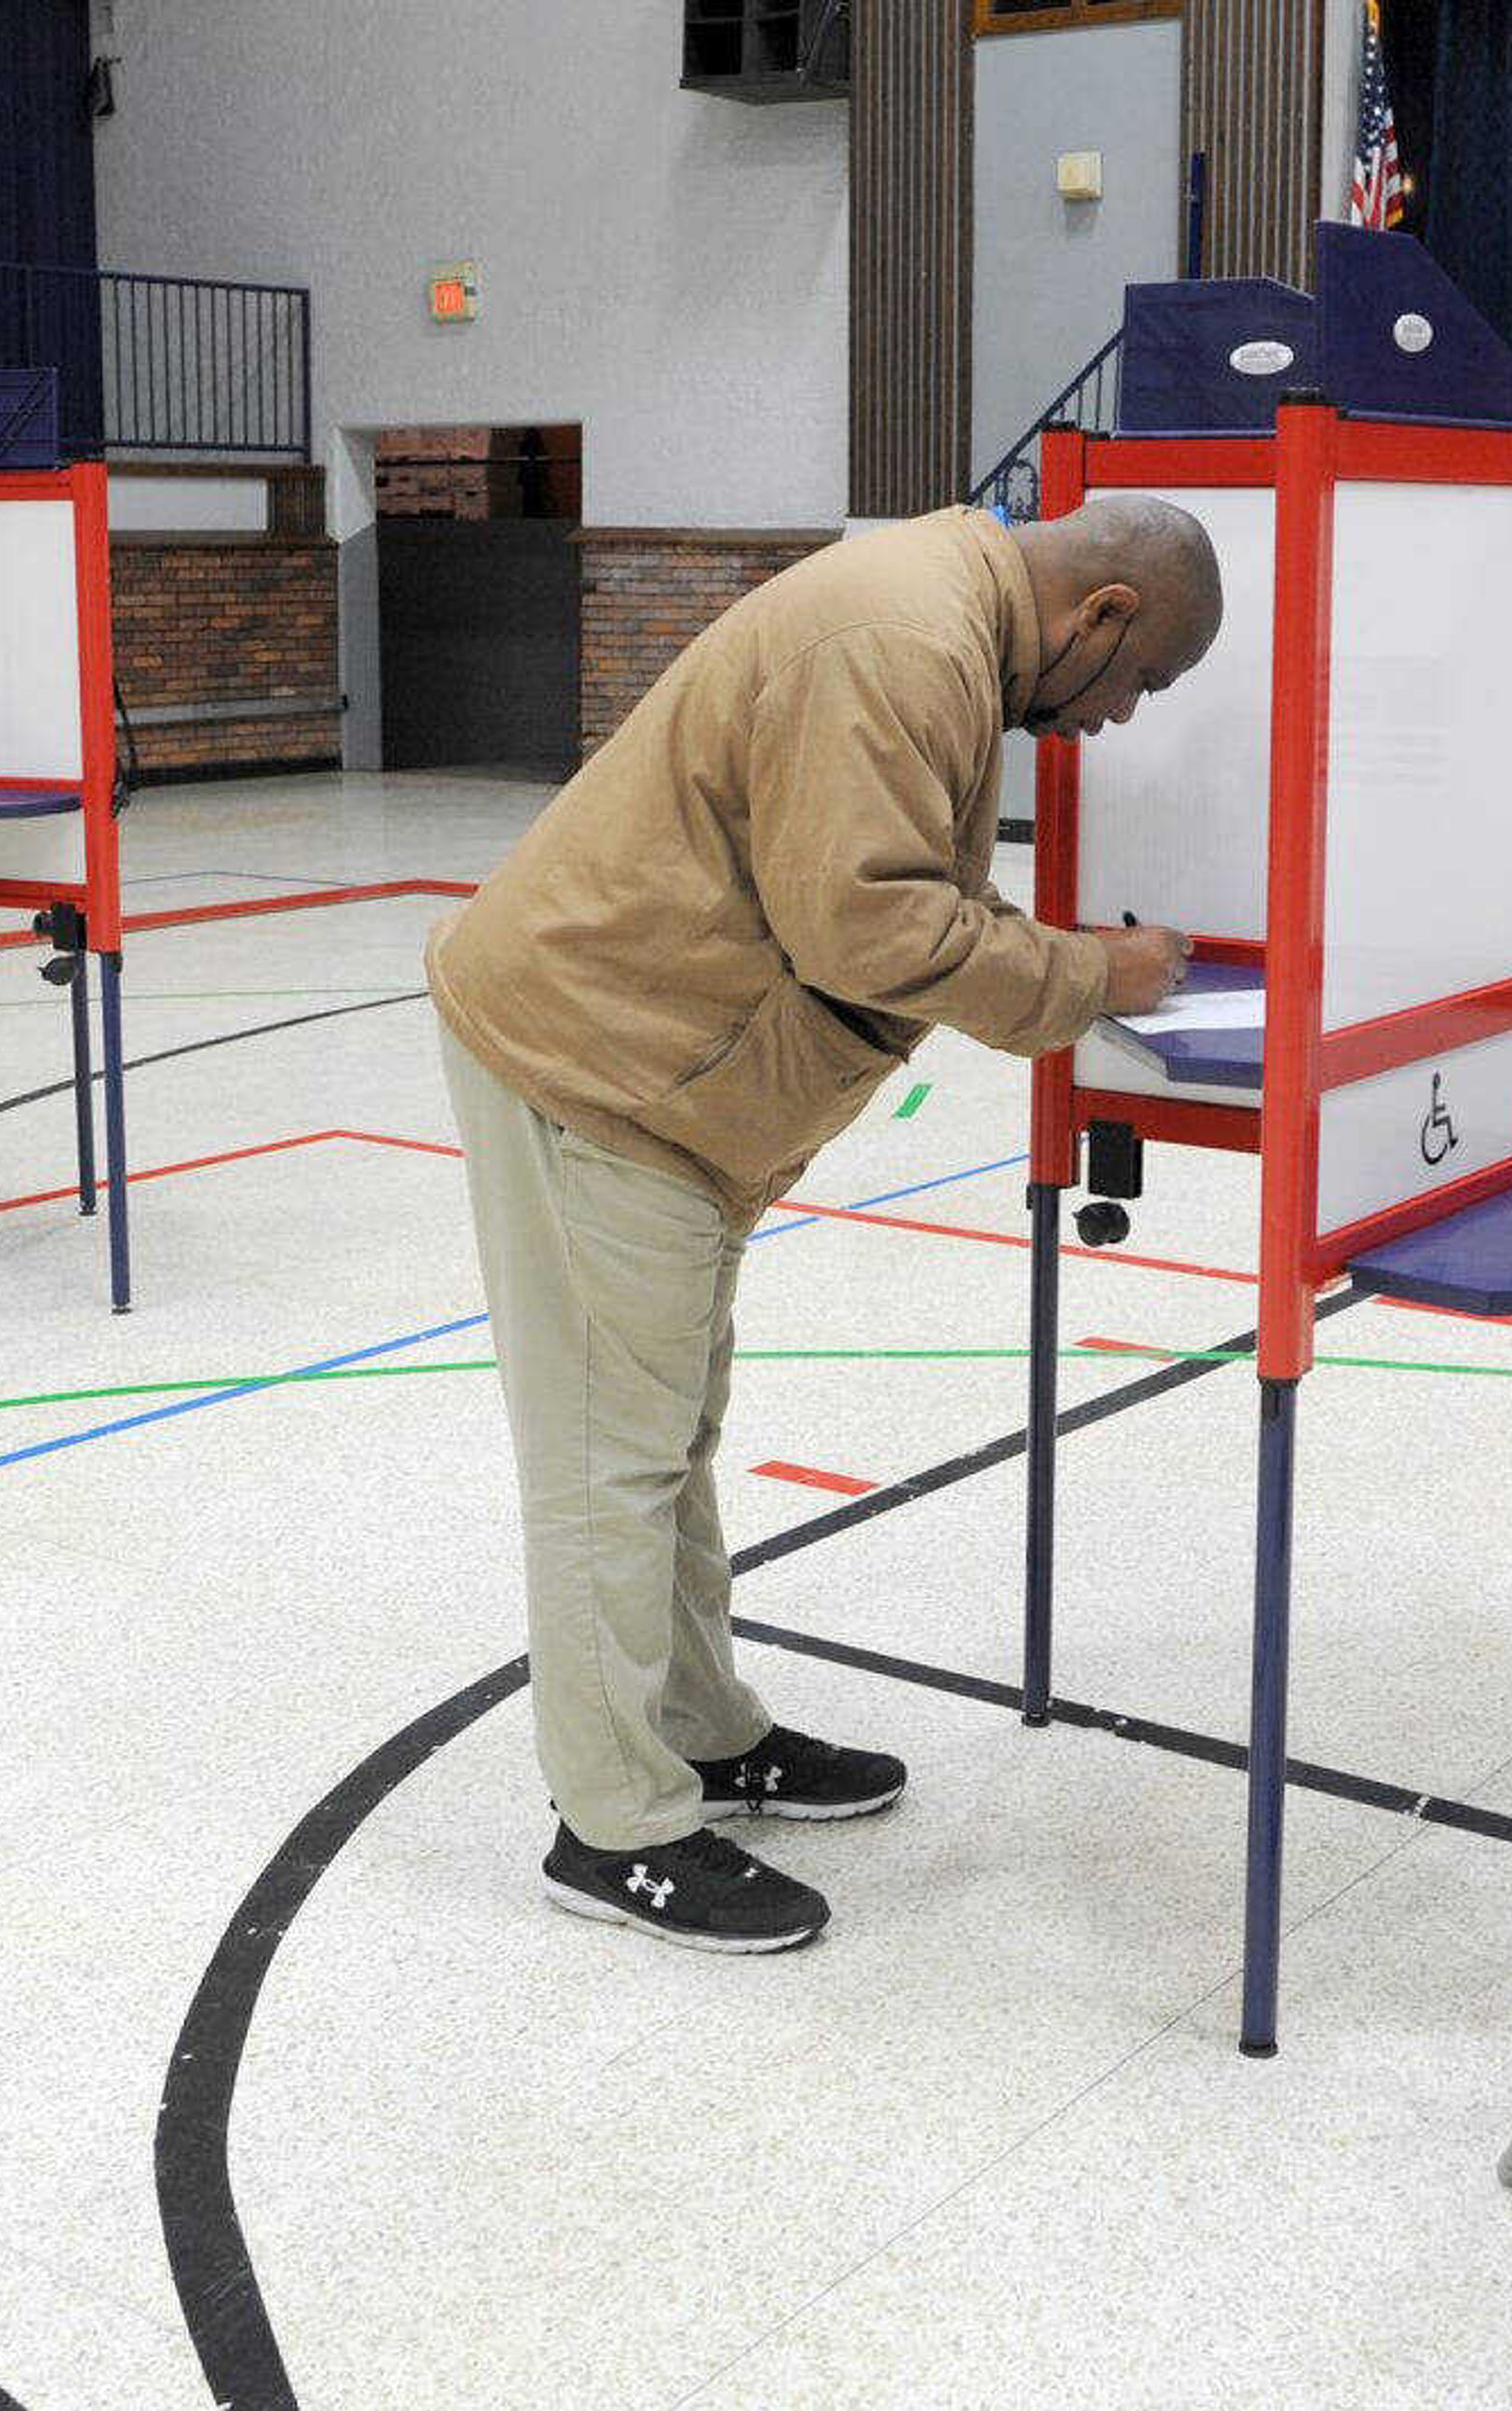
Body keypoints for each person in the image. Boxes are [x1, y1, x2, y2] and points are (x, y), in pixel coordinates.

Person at [427, 494, 1221, 1953]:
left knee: (665, 1429)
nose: (1120, 720)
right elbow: (871, 928)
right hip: (594, 1058)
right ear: (1100, 617)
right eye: (1143, 682)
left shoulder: (942, 619)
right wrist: (1094, 977)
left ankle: (702, 1731)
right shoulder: (907, 637)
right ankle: (616, 1827)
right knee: (612, 1455)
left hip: (653, 1063)